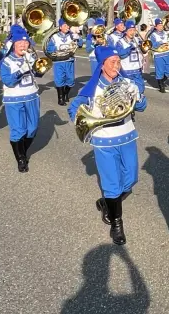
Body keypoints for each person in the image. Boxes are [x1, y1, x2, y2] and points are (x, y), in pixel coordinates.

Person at [68, 45, 146, 245]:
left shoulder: (126, 83)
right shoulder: (92, 89)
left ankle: (107, 203)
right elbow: (74, 110)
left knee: (130, 180)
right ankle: (116, 224)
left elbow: (142, 107)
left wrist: (138, 94)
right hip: (103, 141)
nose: (116, 65)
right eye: (112, 62)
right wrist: (91, 119)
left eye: (118, 61)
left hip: (127, 137)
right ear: (102, 65)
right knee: (112, 184)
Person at [0, 25, 44, 173]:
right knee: (18, 130)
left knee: (32, 129)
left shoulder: (30, 57)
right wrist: (21, 70)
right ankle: (21, 159)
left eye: (25, 43)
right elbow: (8, 81)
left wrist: (40, 69)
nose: (23, 45)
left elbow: (38, 75)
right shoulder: (6, 62)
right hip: (14, 99)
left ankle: (22, 151)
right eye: (20, 43)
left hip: (32, 96)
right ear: (13, 45)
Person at [48, 19, 81, 106]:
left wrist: (77, 36)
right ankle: (60, 98)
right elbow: (49, 49)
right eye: (65, 25)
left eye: (68, 25)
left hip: (69, 60)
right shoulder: (54, 37)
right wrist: (58, 48)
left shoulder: (72, 35)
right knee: (59, 80)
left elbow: (80, 45)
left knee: (71, 80)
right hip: (59, 61)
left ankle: (66, 93)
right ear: (60, 27)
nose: (67, 27)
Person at [115, 19, 145, 101]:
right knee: (127, 94)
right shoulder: (120, 42)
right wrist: (129, 48)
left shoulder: (137, 40)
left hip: (137, 70)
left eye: (134, 30)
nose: (132, 32)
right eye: (130, 30)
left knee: (140, 90)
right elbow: (120, 54)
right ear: (126, 31)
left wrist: (144, 48)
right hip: (127, 71)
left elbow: (143, 50)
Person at [148, 17, 169, 93]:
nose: (161, 27)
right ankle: (161, 85)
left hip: (167, 54)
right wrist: (160, 42)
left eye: (161, 25)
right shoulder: (153, 35)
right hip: (159, 55)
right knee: (160, 72)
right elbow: (152, 45)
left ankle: (162, 80)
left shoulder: (166, 33)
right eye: (159, 25)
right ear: (155, 27)